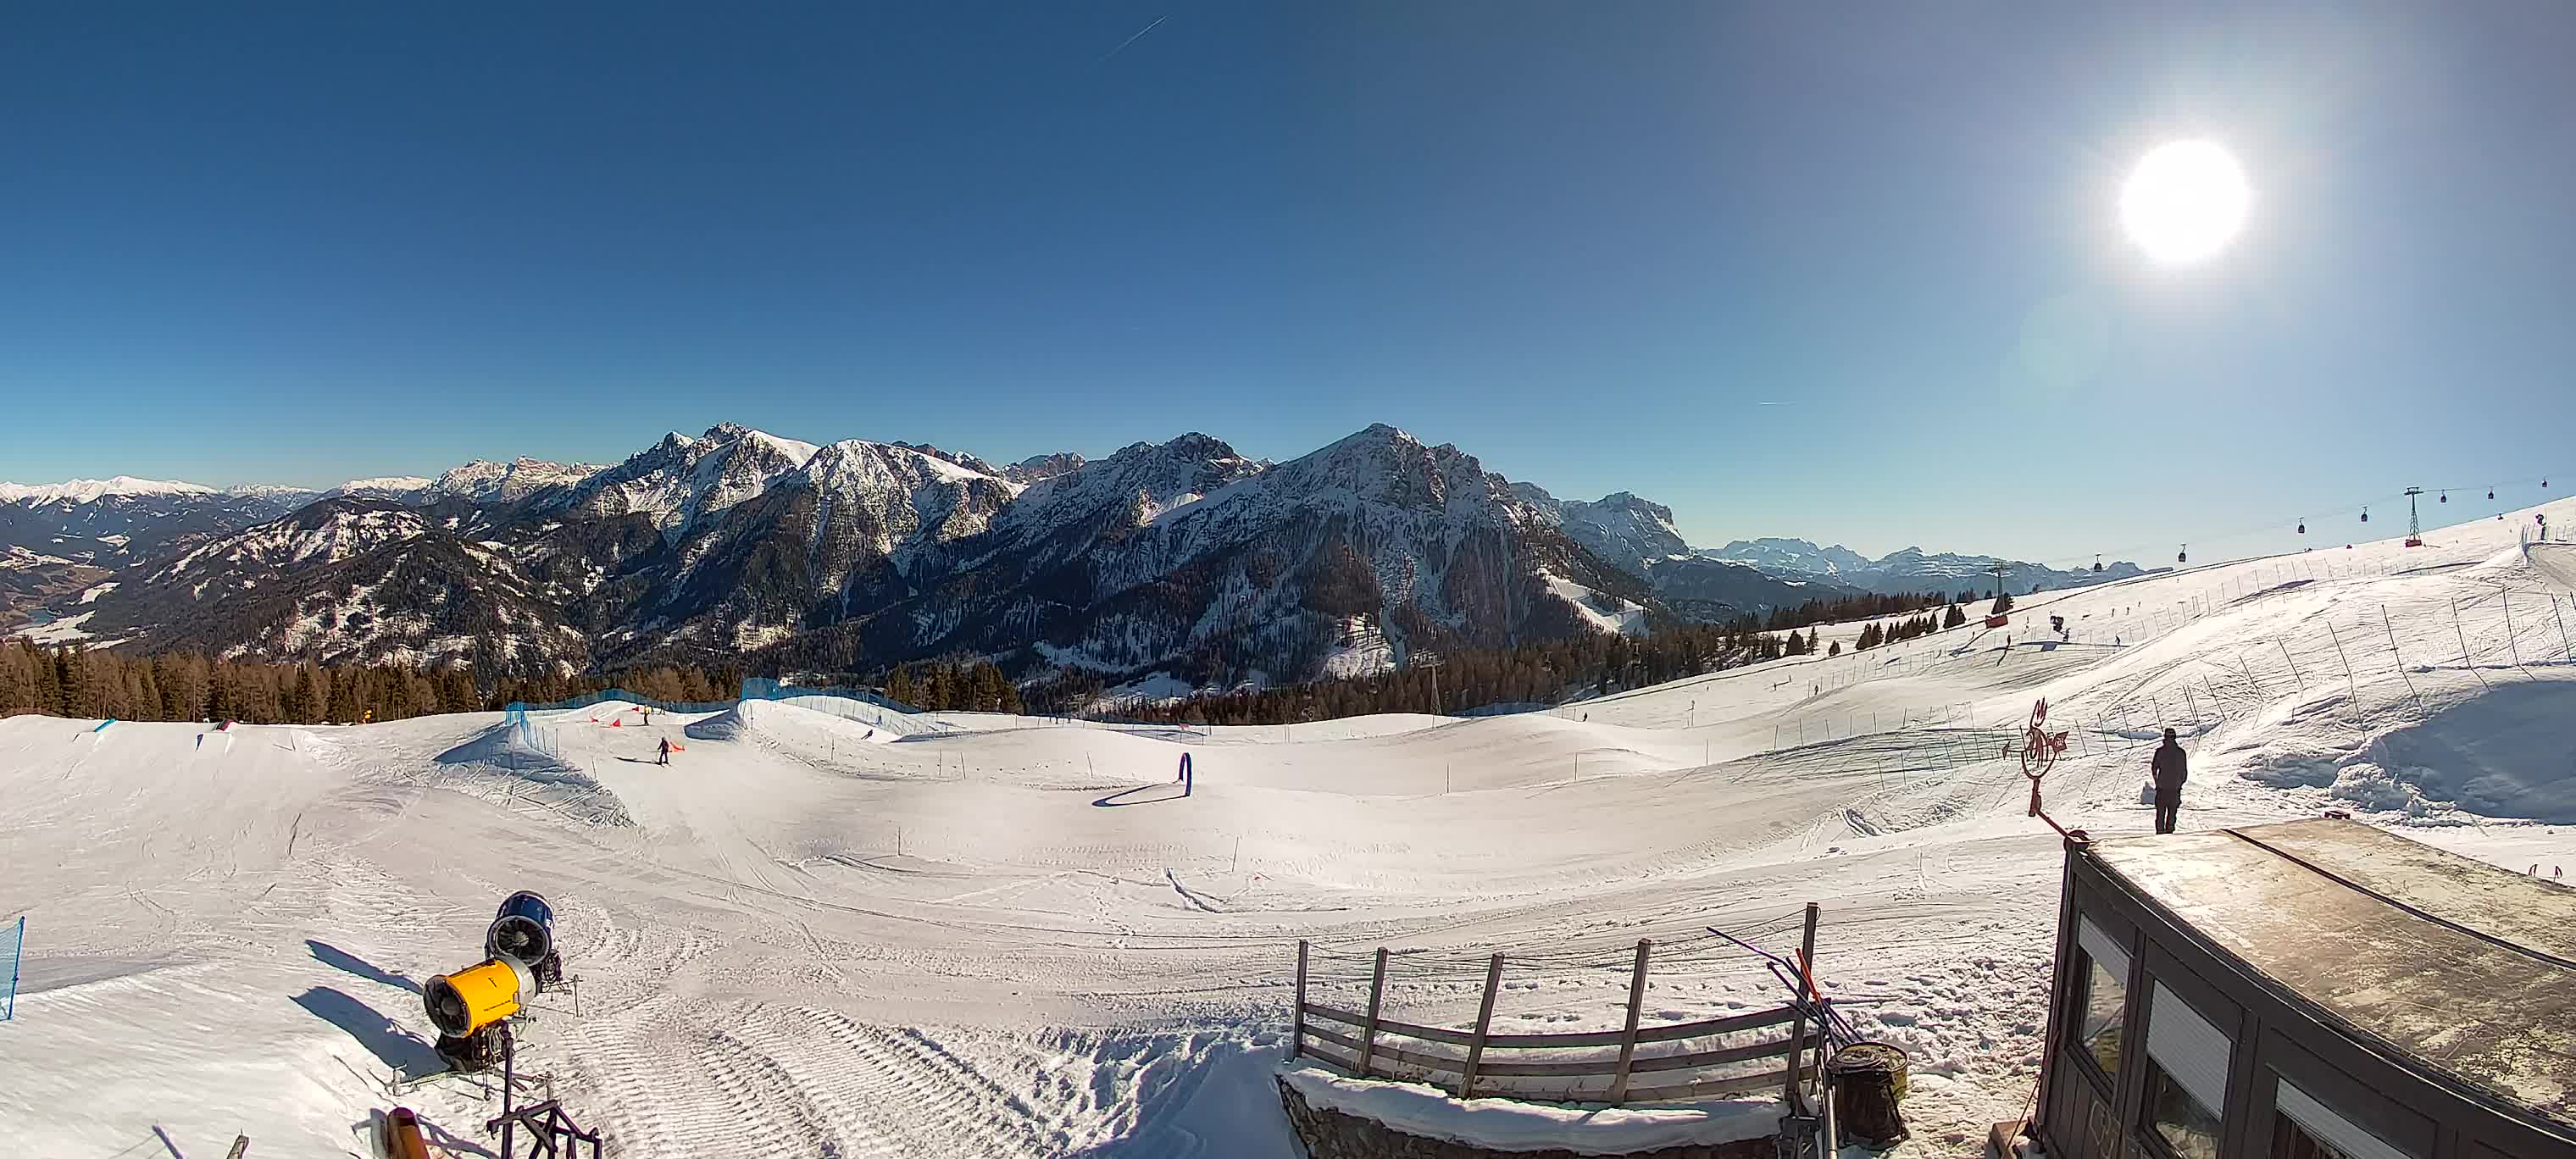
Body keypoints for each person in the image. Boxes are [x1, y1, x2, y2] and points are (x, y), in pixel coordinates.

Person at [2150, 729, 2188, 834]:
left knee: (2160, 814)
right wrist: (2179, 783)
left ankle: (2160, 833)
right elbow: (2184, 772)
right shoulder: (2181, 752)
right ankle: (2169, 833)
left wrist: (2157, 782)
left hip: (2162, 788)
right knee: (2172, 813)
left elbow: (2154, 769)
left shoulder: (2160, 752)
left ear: (2165, 737)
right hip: (2175, 789)